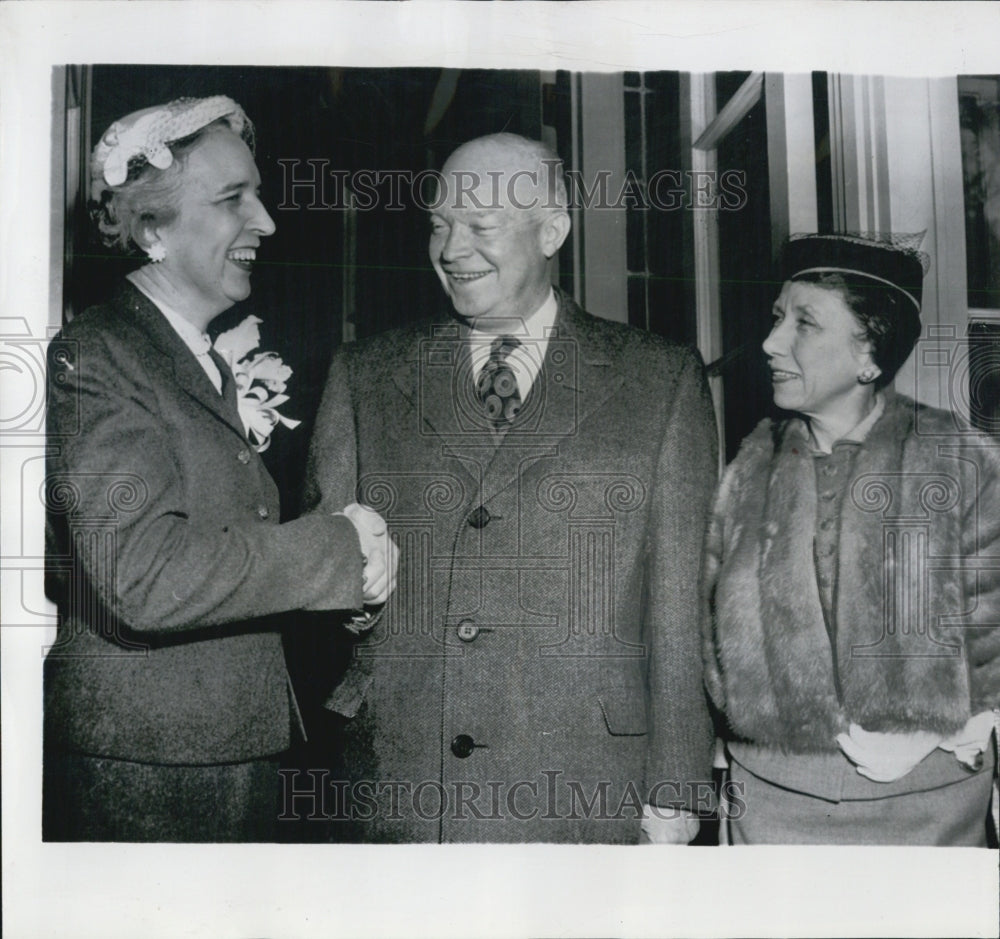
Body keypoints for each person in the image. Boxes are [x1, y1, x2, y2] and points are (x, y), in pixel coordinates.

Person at [304, 132, 718, 843]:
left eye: (481, 226)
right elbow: (321, 575)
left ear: (552, 229)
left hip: (585, 779)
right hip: (402, 775)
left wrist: (675, 787)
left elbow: (680, 605)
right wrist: (352, 597)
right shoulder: (365, 373)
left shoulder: (660, 379)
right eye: (438, 225)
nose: (452, 249)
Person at [44, 95, 396, 842]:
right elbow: (144, 574)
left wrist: (352, 582)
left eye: (259, 195)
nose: (265, 221)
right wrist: (338, 546)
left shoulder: (192, 359)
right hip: (150, 763)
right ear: (152, 229)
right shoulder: (102, 356)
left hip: (217, 746)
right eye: (234, 198)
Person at [703, 233, 1000, 845]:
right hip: (772, 806)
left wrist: (924, 731)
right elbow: (708, 642)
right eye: (777, 318)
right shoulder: (746, 472)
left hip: (929, 810)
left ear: (871, 351)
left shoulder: (959, 465)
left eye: (804, 324)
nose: (770, 342)